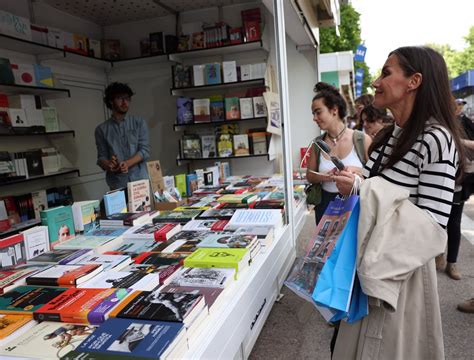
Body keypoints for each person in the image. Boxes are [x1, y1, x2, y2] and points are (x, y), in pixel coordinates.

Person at [332, 46, 464, 359]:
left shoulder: (436, 139)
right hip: (368, 268)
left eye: (386, 73)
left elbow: (432, 226)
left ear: (414, 81)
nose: (376, 82)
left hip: (397, 280)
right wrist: (358, 184)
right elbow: (381, 192)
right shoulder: (390, 135)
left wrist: (365, 189)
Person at [306, 82, 371, 224]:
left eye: (318, 112)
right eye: (313, 114)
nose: (314, 118)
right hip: (325, 206)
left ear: (334, 110)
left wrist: (356, 172)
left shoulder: (361, 140)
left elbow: (376, 177)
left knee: (353, 245)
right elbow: (310, 175)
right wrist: (326, 176)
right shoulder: (318, 144)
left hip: (356, 204)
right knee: (329, 247)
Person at [437, 98, 473, 280]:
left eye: (459, 106)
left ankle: (452, 262)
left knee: (454, 222)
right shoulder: (436, 125)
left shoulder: (465, 123)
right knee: (437, 222)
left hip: (458, 181)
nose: (457, 109)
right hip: (437, 181)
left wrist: (460, 142)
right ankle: (438, 254)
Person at [95, 82, 150, 190]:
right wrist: (110, 165)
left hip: (140, 182)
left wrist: (127, 163)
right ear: (111, 101)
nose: (125, 102)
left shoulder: (139, 122)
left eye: (127, 98)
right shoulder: (101, 129)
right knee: (119, 208)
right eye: (120, 98)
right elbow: (101, 158)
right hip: (117, 184)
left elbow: (145, 150)